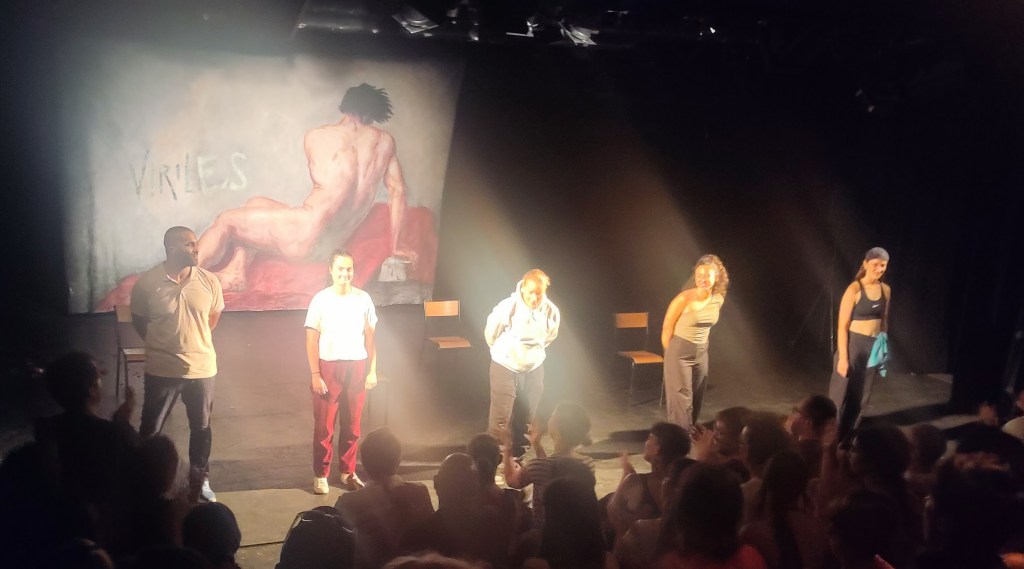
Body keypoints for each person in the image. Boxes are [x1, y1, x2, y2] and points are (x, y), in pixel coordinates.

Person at [196, 83, 412, 291]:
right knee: (256, 203)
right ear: (374, 112)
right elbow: (399, 192)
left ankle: (186, 277)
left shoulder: (319, 136)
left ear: (347, 105)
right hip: (328, 245)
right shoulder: (385, 143)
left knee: (226, 220)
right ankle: (236, 272)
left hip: (303, 234)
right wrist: (396, 246)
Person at [130, 226, 224, 503]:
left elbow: (213, 318)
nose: (197, 248)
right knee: (151, 429)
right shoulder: (147, 283)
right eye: (190, 244)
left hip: (201, 368)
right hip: (162, 369)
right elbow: (140, 321)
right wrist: (165, 343)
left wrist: (193, 340)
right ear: (171, 248)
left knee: (202, 427)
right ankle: (148, 480)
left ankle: (199, 478)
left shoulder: (209, 281)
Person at [305, 250, 378, 494]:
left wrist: (372, 370)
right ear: (331, 270)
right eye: (340, 269)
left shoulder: (363, 299)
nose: (345, 273)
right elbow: (311, 339)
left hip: (356, 366)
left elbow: (370, 339)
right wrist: (315, 374)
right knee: (324, 426)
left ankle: (348, 471)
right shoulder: (321, 300)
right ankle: (321, 474)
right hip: (329, 368)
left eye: (349, 269)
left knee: (353, 425)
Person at [484, 268, 561, 456]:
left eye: (539, 294)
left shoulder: (551, 311)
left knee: (527, 414)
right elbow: (491, 333)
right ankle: (496, 455)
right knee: (501, 416)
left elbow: (550, 336)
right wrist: (507, 353)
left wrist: (532, 355)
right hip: (505, 365)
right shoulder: (507, 307)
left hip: (533, 367)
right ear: (523, 289)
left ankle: (520, 453)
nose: (534, 298)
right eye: (530, 293)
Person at [661, 254, 730, 429]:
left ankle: (688, 432)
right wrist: (671, 356)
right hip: (679, 352)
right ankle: (680, 438)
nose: (703, 279)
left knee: (697, 398)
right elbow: (667, 328)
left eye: (707, 275)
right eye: (699, 275)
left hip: (701, 352)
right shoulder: (684, 299)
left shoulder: (718, 298)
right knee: (682, 400)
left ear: (717, 276)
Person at [829, 247, 891, 440]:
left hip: (872, 346)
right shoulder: (854, 289)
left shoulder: (886, 289)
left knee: (862, 396)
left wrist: (882, 348)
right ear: (865, 264)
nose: (879, 269)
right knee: (840, 395)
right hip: (853, 346)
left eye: (883, 266)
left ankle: (849, 437)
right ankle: (831, 436)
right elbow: (842, 326)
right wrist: (843, 358)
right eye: (876, 265)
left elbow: (884, 320)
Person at [607, 422, 691, 541]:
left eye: (650, 439)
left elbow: (614, 517)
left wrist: (626, 477)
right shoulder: (687, 484)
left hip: (633, 550)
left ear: (657, 449)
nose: (645, 443)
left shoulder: (636, 482)